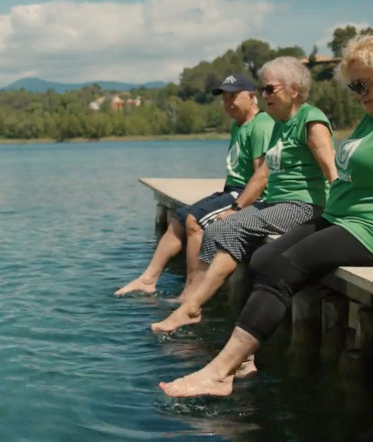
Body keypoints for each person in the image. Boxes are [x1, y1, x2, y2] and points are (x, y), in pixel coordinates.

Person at [159, 33, 373, 398]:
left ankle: (219, 372)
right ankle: (242, 358)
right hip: (343, 219)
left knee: (282, 270)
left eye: (363, 83)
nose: (356, 93)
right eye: (352, 86)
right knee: (264, 259)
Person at [151, 56, 337, 341]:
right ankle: (199, 303)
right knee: (216, 228)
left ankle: (192, 307)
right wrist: (237, 207)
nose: (264, 96)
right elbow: (263, 172)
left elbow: (332, 172)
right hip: (276, 202)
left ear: (294, 90)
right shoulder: (279, 124)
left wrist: (340, 218)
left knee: (233, 227)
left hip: (304, 206)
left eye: (269, 89)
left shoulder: (311, 121)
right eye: (262, 90)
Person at [115, 74, 275, 297]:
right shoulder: (238, 125)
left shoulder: (262, 126)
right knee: (180, 217)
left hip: (249, 196)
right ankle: (147, 279)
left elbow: (261, 177)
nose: (228, 102)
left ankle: (191, 290)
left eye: (233, 96)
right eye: (224, 98)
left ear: (251, 96)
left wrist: (236, 208)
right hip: (232, 189)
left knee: (194, 222)